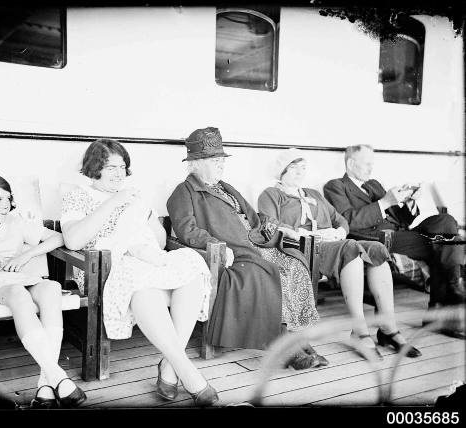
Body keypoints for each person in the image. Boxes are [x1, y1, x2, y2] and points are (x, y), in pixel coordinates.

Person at [60, 139, 218, 406]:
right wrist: (114, 203)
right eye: (110, 167)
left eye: (122, 167)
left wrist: (146, 218)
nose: (119, 173)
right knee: (144, 290)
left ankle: (169, 367)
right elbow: (74, 241)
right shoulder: (78, 195)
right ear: (94, 168)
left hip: (144, 260)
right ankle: (187, 373)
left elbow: (156, 242)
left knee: (191, 270)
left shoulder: (134, 196)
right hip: (105, 267)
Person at [167, 127, 328, 370]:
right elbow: (187, 231)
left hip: (256, 244)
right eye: (215, 161)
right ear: (195, 164)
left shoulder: (226, 187)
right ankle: (287, 347)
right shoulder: (183, 192)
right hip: (233, 252)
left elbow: (254, 218)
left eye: (222, 160)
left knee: (294, 266)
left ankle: (300, 341)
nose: (221, 166)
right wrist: (215, 245)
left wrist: (279, 227)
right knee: (271, 275)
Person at [258, 149, 421, 358]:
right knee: (350, 248)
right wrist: (304, 234)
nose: (300, 172)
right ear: (281, 171)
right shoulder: (271, 194)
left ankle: (389, 328)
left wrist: (339, 232)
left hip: (331, 243)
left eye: (303, 167)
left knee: (377, 249)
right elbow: (271, 225)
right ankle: (360, 331)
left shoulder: (313, 194)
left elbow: (340, 220)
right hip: (302, 248)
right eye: (293, 168)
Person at [324, 144, 465, 338]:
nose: (370, 168)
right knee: (441, 244)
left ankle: (451, 288)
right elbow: (349, 221)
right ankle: (449, 295)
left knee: (446, 221)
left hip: (401, 234)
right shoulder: (335, 186)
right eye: (366, 164)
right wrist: (384, 202)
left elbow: (401, 220)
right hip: (377, 239)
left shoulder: (374, 184)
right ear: (350, 163)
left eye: (372, 164)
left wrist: (409, 202)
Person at [0, 173, 86, 409]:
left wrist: (27, 254)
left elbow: (58, 237)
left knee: (52, 288)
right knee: (19, 294)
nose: (7, 205)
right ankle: (58, 377)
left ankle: (47, 384)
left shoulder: (15, 222)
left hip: (17, 277)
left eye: (8, 198)